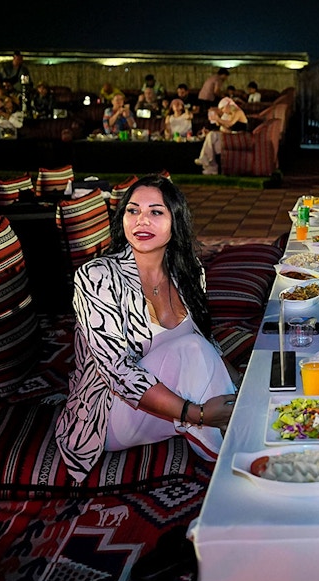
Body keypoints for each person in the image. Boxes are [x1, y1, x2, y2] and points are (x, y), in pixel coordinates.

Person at [55, 174, 237, 486]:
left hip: (174, 398)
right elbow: (117, 371)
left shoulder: (189, 270)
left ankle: (237, 423)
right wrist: (197, 414)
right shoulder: (97, 277)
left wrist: (243, 384)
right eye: (133, 210)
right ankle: (233, 455)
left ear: (174, 221)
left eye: (156, 212)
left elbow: (207, 343)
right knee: (190, 349)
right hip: (112, 413)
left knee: (199, 350)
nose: (142, 221)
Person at [195, 97, 248, 174]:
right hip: (228, 138)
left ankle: (208, 163)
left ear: (228, 105)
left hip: (239, 138)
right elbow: (222, 129)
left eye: (223, 108)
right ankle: (211, 168)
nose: (222, 111)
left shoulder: (238, 112)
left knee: (212, 138)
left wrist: (218, 119)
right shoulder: (226, 115)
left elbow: (230, 124)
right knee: (212, 141)